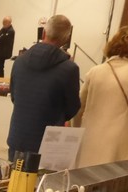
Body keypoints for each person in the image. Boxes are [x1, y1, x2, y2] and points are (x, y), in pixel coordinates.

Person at [72, 26, 128, 168]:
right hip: (118, 141)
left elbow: (78, 108)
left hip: (90, 137)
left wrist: (77, 131)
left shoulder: (94, 72)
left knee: (84, 177)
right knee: (110, 178)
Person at [7, 14, 80, 161]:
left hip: (18, 137)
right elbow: (72, 107)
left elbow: (14, 96)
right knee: (43, 177)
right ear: (66, 39)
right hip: (49, 143)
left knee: (14, 175)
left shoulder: (19, 61)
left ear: (44, 33)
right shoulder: (69, 69)